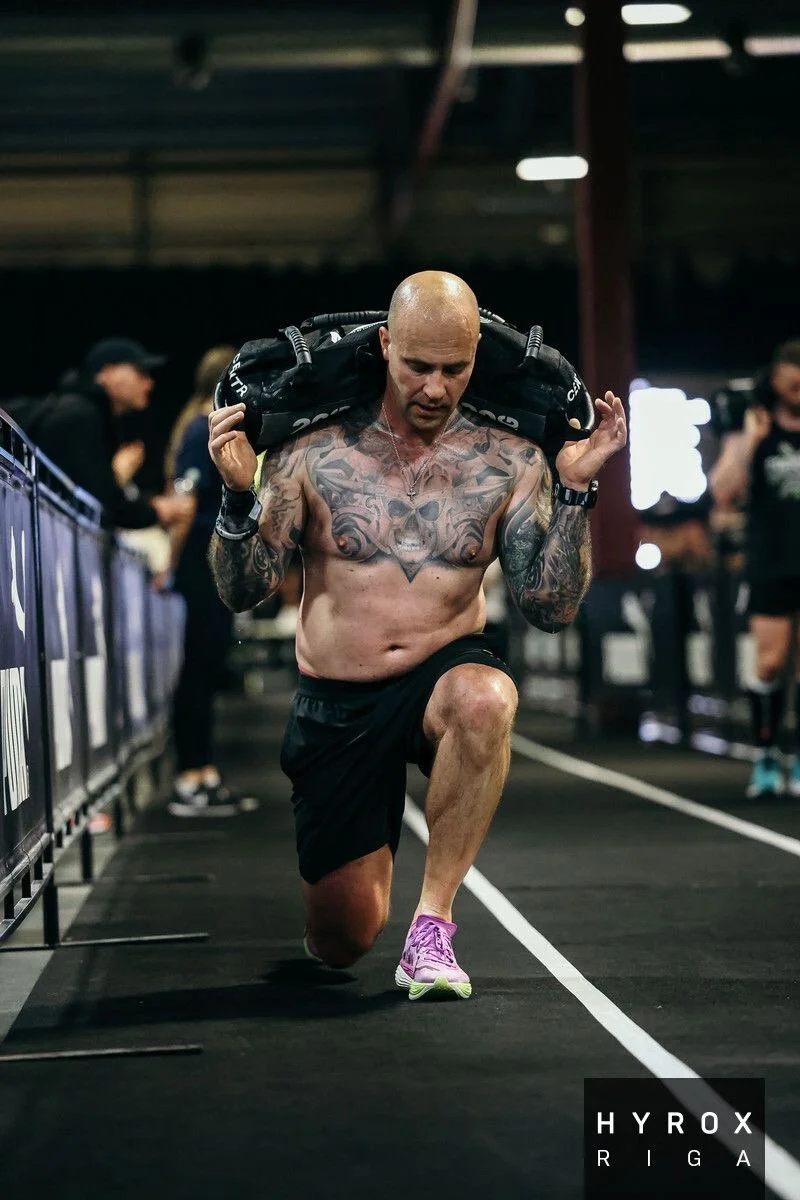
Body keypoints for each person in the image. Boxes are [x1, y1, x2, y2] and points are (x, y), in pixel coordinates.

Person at [207, 270, 627, 1000]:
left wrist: (576, 493)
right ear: (384, 346)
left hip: (444, 670)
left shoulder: (513, 461)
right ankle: (359, 904)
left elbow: (550, 606)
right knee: (342, 940)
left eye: (455, 369)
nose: (436, 387)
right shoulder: (310, 452)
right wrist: (238, 497)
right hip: (338, 698)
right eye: (418, 366)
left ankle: (433, 926)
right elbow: (241, 592)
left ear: (476, 360)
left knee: (486, 699)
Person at [159, 345, 258, 817]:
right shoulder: (202, 429)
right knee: (198, 671)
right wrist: (170, 564)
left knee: (206, 667)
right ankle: (189, 779)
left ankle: (203, 773)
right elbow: (184, 504)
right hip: (198, 565)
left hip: (205, 564)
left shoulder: (206, 427)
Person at [709, 339, 800, 799]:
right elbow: (723, 489)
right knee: (770, 663)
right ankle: (765, 758)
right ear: (778, 381)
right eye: (792, 380)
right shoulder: (757, 424)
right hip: (771, 560)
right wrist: (751, 441)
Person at [32, 337, 191, 531]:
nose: (149, 383)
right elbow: (98, 500)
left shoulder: (87, 414)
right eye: (140, 372)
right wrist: (156, 511)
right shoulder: (79, 417)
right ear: (107, 372)